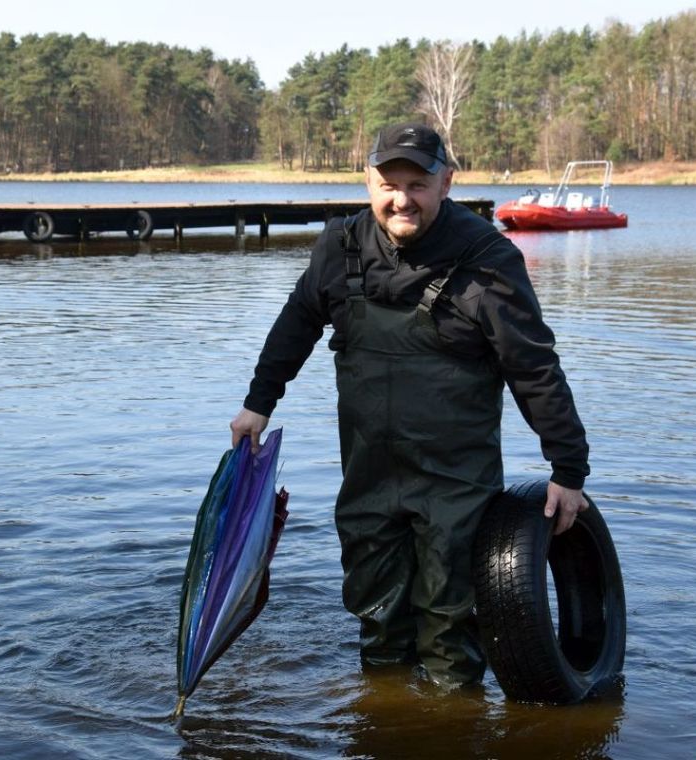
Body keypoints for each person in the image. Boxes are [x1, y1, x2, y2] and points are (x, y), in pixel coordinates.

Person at [230, 122, 590, 689]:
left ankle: (453, 715)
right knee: (376, 614)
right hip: (369, 476)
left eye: (417, 185)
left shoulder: (488, 260)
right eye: (389, 184)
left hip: (455, 483)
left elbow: (534, 368)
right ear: (368, 182)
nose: (402, 200)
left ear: (447, 182)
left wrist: (568, 469)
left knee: (450, 622)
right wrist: (259, 403)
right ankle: (385, 712)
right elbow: (295, 324)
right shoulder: (340, 248)